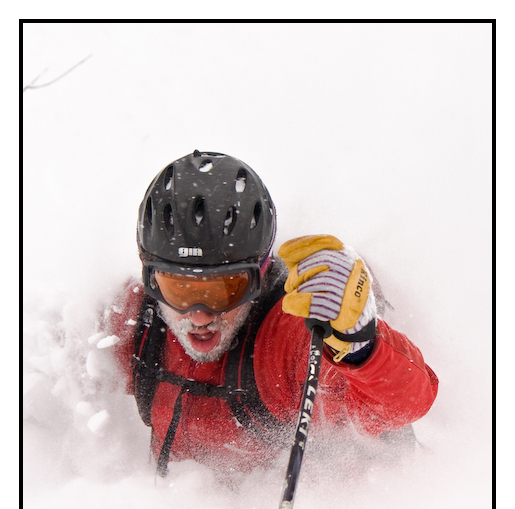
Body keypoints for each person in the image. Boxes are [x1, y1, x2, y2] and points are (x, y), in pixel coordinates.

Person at [106, 150, 438, 478]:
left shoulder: (285, 338)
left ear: (261, 275)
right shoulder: (137, 324)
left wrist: (358, 346)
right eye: (180, 290)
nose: (200, 316)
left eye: (225, 290)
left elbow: (404, 404)